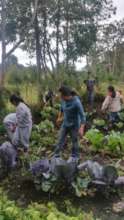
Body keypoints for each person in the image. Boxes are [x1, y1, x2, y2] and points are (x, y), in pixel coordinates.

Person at [55, 86, 86, 160]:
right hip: (65, 124)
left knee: (74, 142)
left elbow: (83, 116)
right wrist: (59, 118)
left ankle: (75, 157)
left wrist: (81, 129)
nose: (60, 97)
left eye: (61, 96)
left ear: (65, 96)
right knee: (60, 139)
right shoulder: (63, 100)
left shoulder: (76, 102)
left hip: (74, 125)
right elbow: (61, 109)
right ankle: (56, 156)